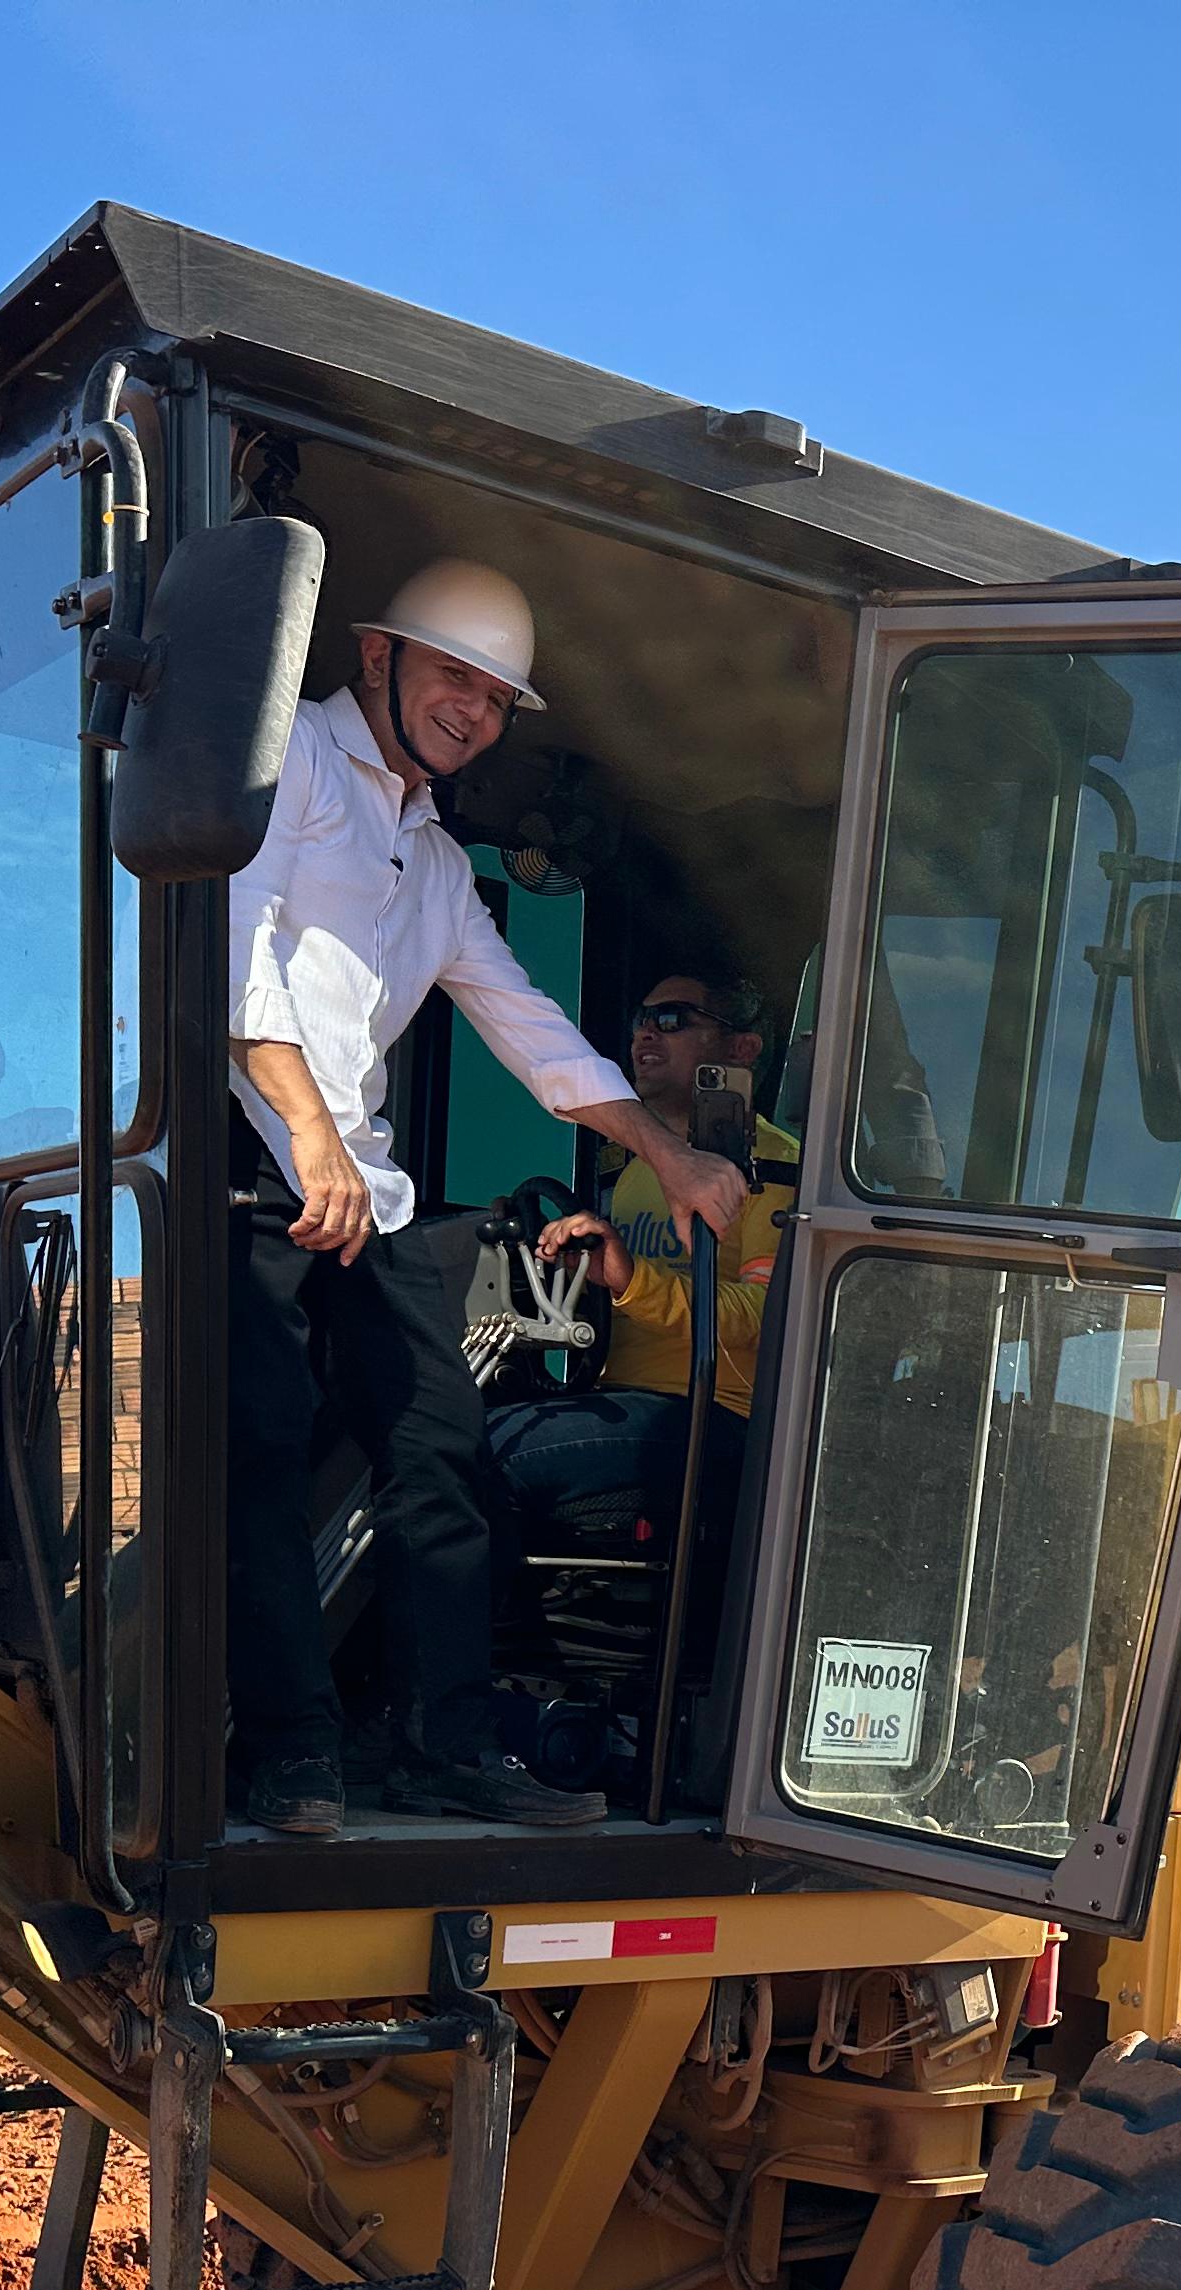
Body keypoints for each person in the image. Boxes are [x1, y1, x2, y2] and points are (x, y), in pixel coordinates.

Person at [223, 559, 748, 1836]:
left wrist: (670, 1154)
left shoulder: (436, 861)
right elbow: (231, 954)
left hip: (362, 1185)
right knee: (262, 1458)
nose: (473, 710)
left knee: (439, 1456)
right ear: (378, 657)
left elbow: (528, 1025)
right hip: (256, 1167)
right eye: (454, 675)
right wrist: (310, 1133)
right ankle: (290, 1757)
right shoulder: (289, 765)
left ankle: (443, 1746)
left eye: (498, 697)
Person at [487, 968, 800, 1553]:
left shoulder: (774, 1169)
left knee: (485, 1457)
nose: (646, 1034)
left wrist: (632, 1279)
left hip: (712, 1419)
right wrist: (544, 1268)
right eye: (641, 1019)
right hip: (615, 1402)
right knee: (441, 1438)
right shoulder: (630, 1171)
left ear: (741, 1048)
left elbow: (767, 1318)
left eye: (672, 1019)